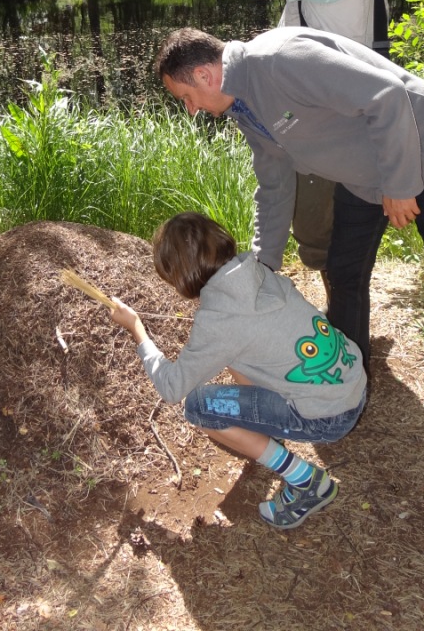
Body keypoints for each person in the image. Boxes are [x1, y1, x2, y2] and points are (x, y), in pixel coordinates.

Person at [155, 26, 424, 503]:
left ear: (205, 74)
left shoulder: (283, 60)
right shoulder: (242, 107)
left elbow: (387, 95)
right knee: (344, 275)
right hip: (362, 176)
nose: (190, 108)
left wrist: (401, 182)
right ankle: (342, 393)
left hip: (422, 152)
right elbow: (273, 184)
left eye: (185, 96)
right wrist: (261, 269)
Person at [107, 211, 367, 530]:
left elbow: (172, 387)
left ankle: (308, 483)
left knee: (200, 407)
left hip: (329, 416)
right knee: (240, 356)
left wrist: (136, 329)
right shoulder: (258, 272)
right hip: (352, 380)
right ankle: (269, 434)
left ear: (180, 275)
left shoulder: (219, 322)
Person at [239, 0, 390, 287]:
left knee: (316, 228)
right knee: (343, 218)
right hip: (355, 106)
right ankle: (349, 308)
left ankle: (344, 320)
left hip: (326, 114)